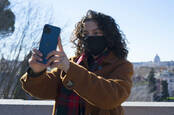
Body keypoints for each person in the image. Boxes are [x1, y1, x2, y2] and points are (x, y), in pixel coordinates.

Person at [20, 10, 133, 115]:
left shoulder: (122, 66)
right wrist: (36, 72)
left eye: (96, 32)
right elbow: (42, 90)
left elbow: (111, 98)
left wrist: (70, 70)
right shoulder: (73, 62)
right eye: (86, 33)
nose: (90, 37)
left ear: (109, 36)